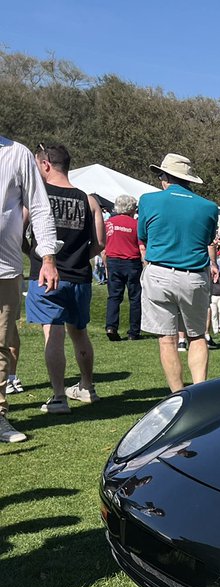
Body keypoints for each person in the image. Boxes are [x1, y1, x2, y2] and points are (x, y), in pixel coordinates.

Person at [24, 144, 105, 415]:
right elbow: (100, 243)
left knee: (53, 331)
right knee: (79, 332)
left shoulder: (37, 195)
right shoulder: (89, 199)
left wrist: (33, 254)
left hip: (47, 275)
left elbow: (18, 231)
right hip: (80, 276)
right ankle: (87, 386)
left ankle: (59, 396)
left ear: (46, 165)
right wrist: (80, 257)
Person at [138, 152, 219, 392]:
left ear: (165, 177)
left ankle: (176, 395)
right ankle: (199, 391)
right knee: (196, 337)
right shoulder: (209, 207)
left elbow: (143, 235)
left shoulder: (148, 200)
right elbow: (207, 239)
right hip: (193, 275)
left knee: (167, 339)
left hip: (159, 273)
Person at [1, 136, 59, 443]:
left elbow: (39, 206)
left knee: (0, 344)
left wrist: (47, 257)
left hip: (5, 268)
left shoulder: (17, 153)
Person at [104, 194, 142, 341]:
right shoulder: (136, 224)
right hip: (132, 262)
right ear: (132, 208)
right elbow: (141, 245)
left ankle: (111, 326)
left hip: (113, 261)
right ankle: (134, 331)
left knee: (114, 296)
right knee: (135, 298)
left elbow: (104, 244)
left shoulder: (109, 223)